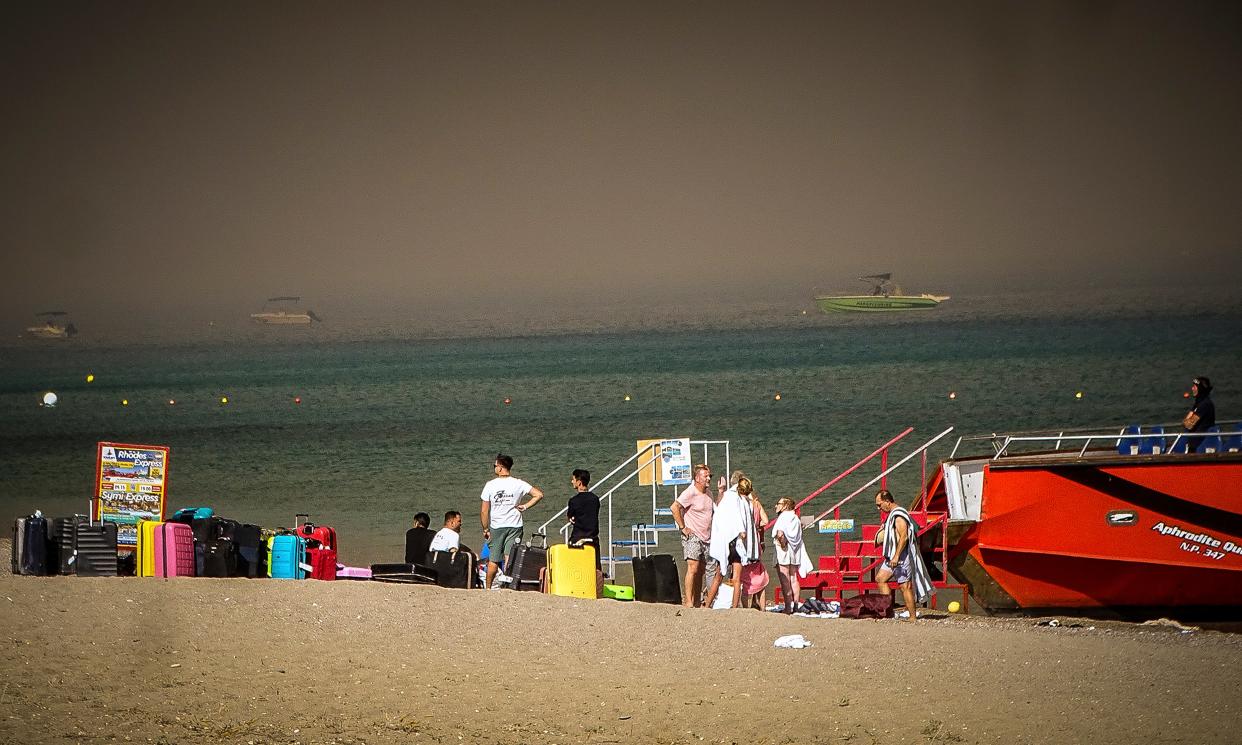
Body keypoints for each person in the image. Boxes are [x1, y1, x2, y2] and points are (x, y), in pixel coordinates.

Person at [480, 453, 544, 589]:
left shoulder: (490, 485)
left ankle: (488, 587)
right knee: (510, 557)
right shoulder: (518, 483)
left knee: (493, 559)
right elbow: (538, 495)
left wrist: (485, 529)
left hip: (497, 526)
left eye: (495, 465)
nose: (494, 468)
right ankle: (508, 586)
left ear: (501, 467)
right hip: (515, 525)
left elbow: (484, 511)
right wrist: (525, 506)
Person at [872, 489, 933, 622]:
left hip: (901, 556)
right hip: (891, 555)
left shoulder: (899, 515)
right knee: (880, 579)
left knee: (905, 586)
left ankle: (912, 617)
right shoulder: (892, 515)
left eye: (879, 504)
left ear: (887, 502)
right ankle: (888, 612)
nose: (879, 508)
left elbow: (904, 537)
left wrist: (897, 556)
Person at [670, 463, 714, 608]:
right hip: (693, 535)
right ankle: (688, 601)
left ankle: (696, 600)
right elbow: (674, 507)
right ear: (697, 478)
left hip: (706, 536)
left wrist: (721, 492)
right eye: (706, 476)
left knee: (701, 570)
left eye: (710, 476)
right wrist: (683, 527)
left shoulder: (709, 493)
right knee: (693, 567)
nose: (709, 478)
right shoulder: (691, 492)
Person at [772, 498, 812, 614]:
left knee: (785, 580)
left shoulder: (783, 517)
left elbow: (779, 533)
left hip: (783, 551)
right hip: (795, 551)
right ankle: (795, 606)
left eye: (778, 504)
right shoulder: (795, 518)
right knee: (794, 578)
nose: (776, 506)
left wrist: (783, 543)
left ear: (784, 506)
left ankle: (788, 607)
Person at [741, 481, 770, 609]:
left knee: (745, 578)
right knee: (759, 577)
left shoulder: (742, 504)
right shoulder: (756, 504)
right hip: (756, 543)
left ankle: (746, 608)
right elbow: (766, 521)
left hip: (745, 544)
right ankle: (762, 608)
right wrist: (757, 526)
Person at [566, 469, 601, 569]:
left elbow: (570, 516)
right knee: (595, 567)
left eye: (573, 479)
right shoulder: (595, 499)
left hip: (578, 537)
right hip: (593, 537)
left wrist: (571, 519)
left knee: (573, 565)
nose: (572, 482)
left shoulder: (574, 501)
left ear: (579, 482)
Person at [1184, 376, 1216, 453]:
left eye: (1194, 386)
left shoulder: (1205, 404)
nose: (1192, 388)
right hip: (1194, 443)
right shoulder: (1199, 403)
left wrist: (1186, 421)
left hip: (1199, 445)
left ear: (1200, 389)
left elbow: (1188, 424)